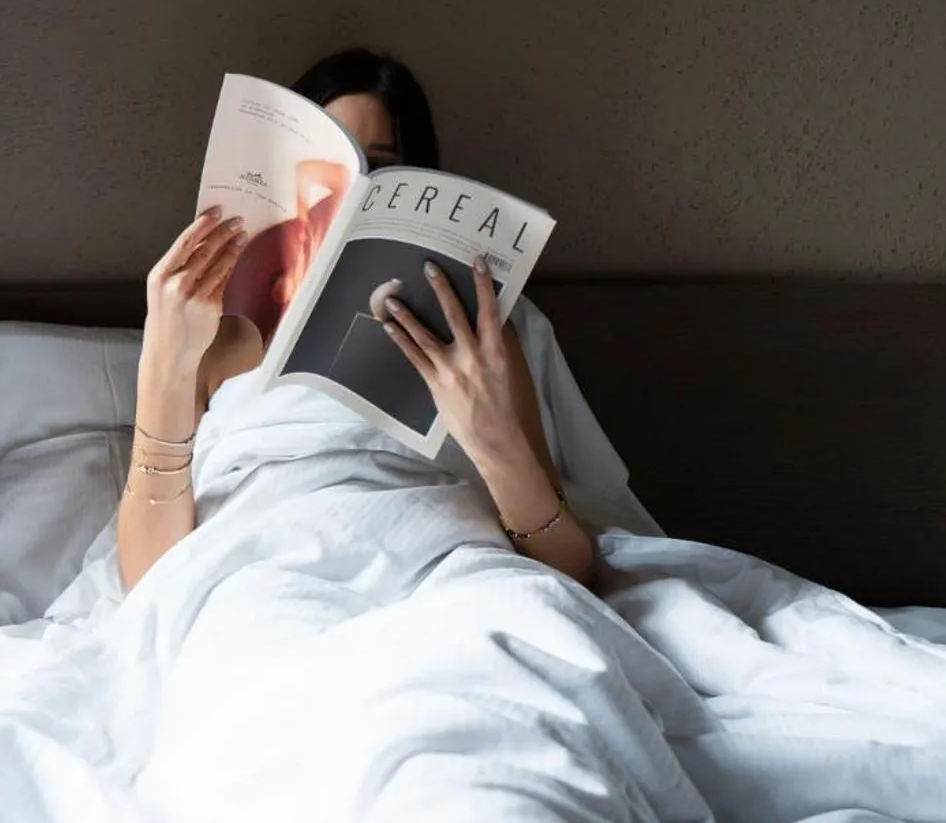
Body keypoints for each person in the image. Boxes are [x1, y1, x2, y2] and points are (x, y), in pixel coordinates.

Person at [115, 48, 598, 592]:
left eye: (379, 169)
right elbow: (146, 576)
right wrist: (164, 355)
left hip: (444, 572)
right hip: (263, 574)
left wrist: (494, 444)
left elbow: (569, 566)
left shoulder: (474, 337)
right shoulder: (211, 338)